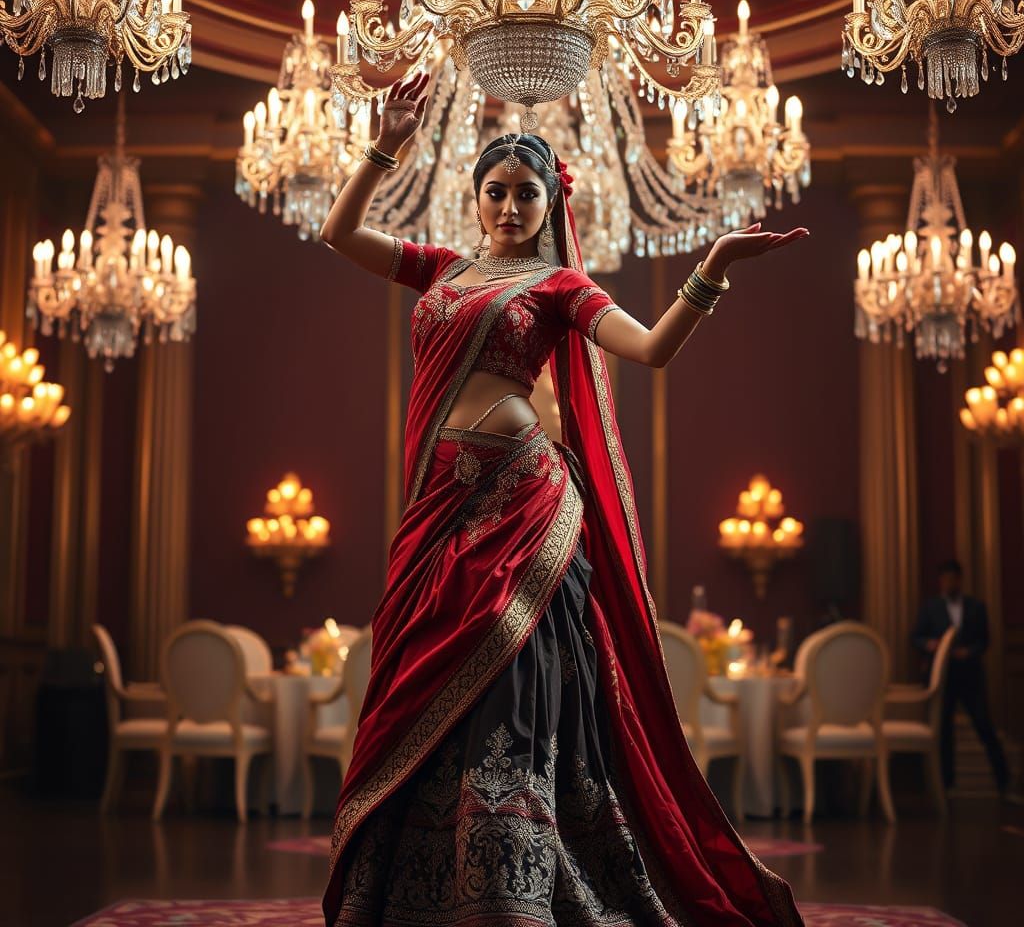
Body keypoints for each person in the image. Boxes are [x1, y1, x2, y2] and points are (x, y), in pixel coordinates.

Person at [319, 73, 810, 927]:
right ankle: (418, 884)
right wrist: (386, 144)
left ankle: (516, 878)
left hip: (524, 503)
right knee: (421, 671)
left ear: (551, 203)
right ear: (475, 198)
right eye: (496, 191)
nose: (510, 206)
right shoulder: (440, 268)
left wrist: (713, 268)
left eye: (527, 193)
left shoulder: (559, 288)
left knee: (512, 676)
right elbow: (339, 233)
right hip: (438, 508)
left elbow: (650, 349)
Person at [912, 558, 1009, 794]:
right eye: (945, 579)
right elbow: (916, 637)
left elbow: (985, 640)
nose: (949, 583)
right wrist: (930, 645)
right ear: (940, 581)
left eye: (952, 579)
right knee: (944, 731)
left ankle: (1004, 783)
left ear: (959, 580)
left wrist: (969, 652)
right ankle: (946, 785)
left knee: (984, 725)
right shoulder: (930, 607)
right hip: (943, 678)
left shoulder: (976, 607)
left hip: (970, 675)